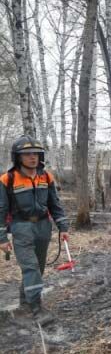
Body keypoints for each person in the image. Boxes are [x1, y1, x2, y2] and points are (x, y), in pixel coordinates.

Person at [0, 136, 69, 326]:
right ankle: (36, 308)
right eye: (27, 154)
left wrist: (63, 227)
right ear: (18, 157)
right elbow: (1, 210)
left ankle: (25, 303)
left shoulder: (46, 176)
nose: (32, 157)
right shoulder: (8, 179)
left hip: (43, 227)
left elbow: (55, 204)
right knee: (30, 268)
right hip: (21, 227)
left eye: (36, 154)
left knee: (37, 268)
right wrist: (2, 238)